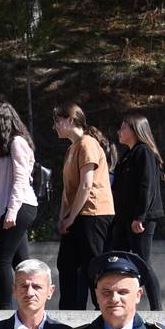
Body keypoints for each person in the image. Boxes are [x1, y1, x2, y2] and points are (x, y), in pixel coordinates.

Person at [0, 99, 39, 304]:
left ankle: (5, 308)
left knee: (1, 259)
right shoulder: (0, 148)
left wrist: (10, 212)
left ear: (0, 121)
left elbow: (20, 179)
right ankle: (31, 303)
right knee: (22, 263)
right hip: (8, 209)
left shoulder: (17, 142)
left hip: (20, 207)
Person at [53, 104, 115, 310]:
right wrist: (63, 217)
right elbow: (68, 190)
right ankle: (69, 312)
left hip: (93, 213)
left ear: (71, 120)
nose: (54, 126)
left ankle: (104, 311)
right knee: (66, 264)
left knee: (93, 266)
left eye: (58, 121)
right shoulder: (71, 148)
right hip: (76, 215)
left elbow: (86, 185)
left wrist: (71, 217)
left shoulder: (88, 143)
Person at [109, 113, 165, 309]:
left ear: (135, 130)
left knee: (143, 261)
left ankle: (157, 309)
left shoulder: (144, 152)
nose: (119, 131)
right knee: (117, 258)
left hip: (140, 218)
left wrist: (140, 216)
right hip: (124, 218)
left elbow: (146, 186)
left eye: (123, 127)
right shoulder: (128, 155)